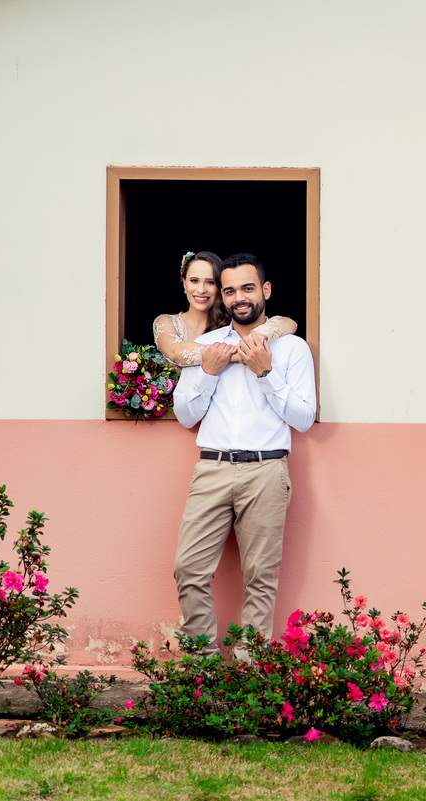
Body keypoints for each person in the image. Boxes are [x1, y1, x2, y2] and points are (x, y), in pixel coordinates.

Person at [172, 252, 316, 656]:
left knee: (261, 576)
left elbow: (304, 419)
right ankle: (200, 667)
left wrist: (266, 373)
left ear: (265, 291)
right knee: (189, 568)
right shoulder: (205, 347)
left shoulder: (291, 349)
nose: (239, 297)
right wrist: (208, 372)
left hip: (266, 470)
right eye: (231, 289)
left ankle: (252, 671)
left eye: (248, 288)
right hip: (212, 468)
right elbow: (185, 416)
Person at [153, 250, 296, 368]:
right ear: (184, 283)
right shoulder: (166, 321)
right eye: (194, 281)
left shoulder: (232, 320)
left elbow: (289, 323)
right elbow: (174, 352)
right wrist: (241, 354)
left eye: (210, 282)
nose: (201, 290)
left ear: (221, 288)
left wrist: (258, 336)